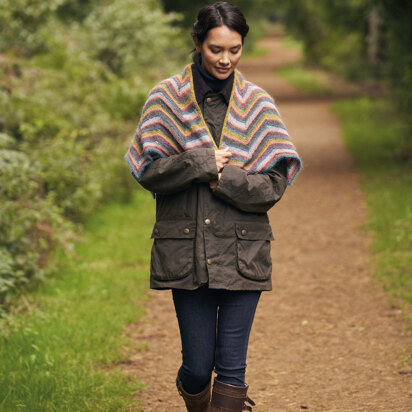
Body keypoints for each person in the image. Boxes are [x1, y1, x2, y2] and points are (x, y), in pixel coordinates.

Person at [125, 2, 301, 411]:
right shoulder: (166, 98)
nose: (225, 59)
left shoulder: (258, 104)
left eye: (234, 50)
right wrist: (199, 162)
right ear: (197, 43)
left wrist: (226, 179)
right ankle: (192, 390)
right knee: (198, 368)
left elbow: (274, 185)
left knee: (232, 370)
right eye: (216, 49)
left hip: (244, 252)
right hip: (185, 254)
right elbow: (146, 171)